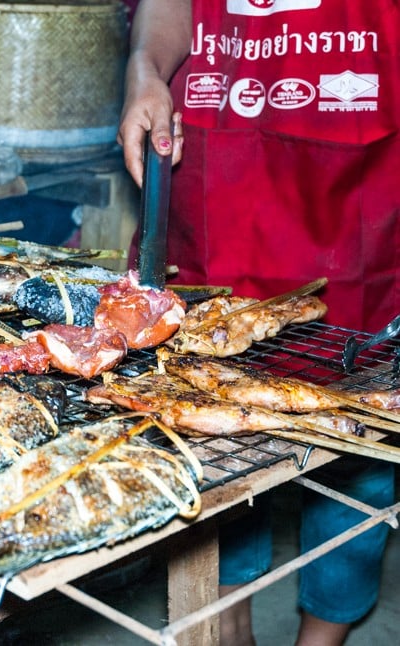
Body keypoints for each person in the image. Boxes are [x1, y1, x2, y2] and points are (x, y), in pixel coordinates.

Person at [117, 1, 399, 645]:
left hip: (364, 179)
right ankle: (228, 627)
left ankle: (323, 638)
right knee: (213, 444)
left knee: (363, 450)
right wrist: (145, 68)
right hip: (218, 162)